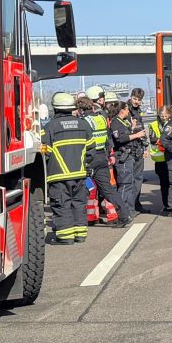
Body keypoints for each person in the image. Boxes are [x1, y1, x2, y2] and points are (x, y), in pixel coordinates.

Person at [40, 92, 93, 244]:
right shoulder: (84, 124)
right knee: (79, 203)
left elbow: (45, 152)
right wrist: (84, 165)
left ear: (55, 108)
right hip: (80, 173)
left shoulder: (49, 127)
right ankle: (80, 234)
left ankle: (65, 237)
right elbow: (91, 149)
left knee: (62, 204)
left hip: (58, 175)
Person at [81, 92, 126, 226]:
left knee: (87, 189)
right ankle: (123, 215)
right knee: (108, 189)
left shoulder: (84, 122)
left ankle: (88, 218)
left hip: (89, 158)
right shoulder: (101, 118)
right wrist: (109, 155)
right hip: (102, 156)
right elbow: (108, 138)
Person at [108, 99, 147, 219]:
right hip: (122, 156)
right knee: (125, 184)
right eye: (126, 109)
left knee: (130, 183)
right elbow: (120, 138)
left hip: (130, 155)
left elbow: (126, 133)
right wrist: (136, 135)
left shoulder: (124, 122)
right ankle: (123, 212)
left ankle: (130, 209)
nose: (128, 111)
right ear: (122, 111)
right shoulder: (115, 122)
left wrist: (132, 128)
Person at [127, 87, 150, 211]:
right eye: (135, 99)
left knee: (138, 179)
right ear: (131, 97)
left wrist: (145, 147)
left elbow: (141, 129)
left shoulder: (138, 111)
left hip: (139, 148)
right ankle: (130, 207)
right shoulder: (126, 110)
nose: (136, 101)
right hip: (129, 149)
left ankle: (136, 204)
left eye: (139, 99)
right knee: (129, 180)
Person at [150, 105, 170, 213]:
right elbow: (152, 139)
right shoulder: (153, 125)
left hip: (170, 157)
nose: (164, 118)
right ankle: (166, 204)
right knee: (164, 183)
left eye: (166, 115)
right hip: (160, 159)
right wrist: (162, 141)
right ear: (158, 115)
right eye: (162, 116)